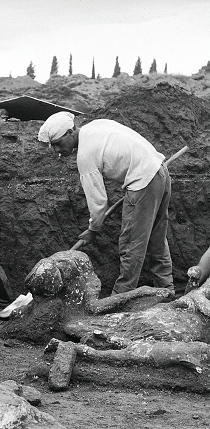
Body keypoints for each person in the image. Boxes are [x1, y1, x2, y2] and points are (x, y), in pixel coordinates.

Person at [37, 111, 174, 295]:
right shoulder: (96, 126)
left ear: (70, 132)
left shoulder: (85, 154)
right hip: (160, 171)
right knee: (157, 240)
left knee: (131, 245)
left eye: (57, 144)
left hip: (143, 182)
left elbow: (98, 201)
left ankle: (120, 298)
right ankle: (167, 291)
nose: (57, 151)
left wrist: (93, 229)